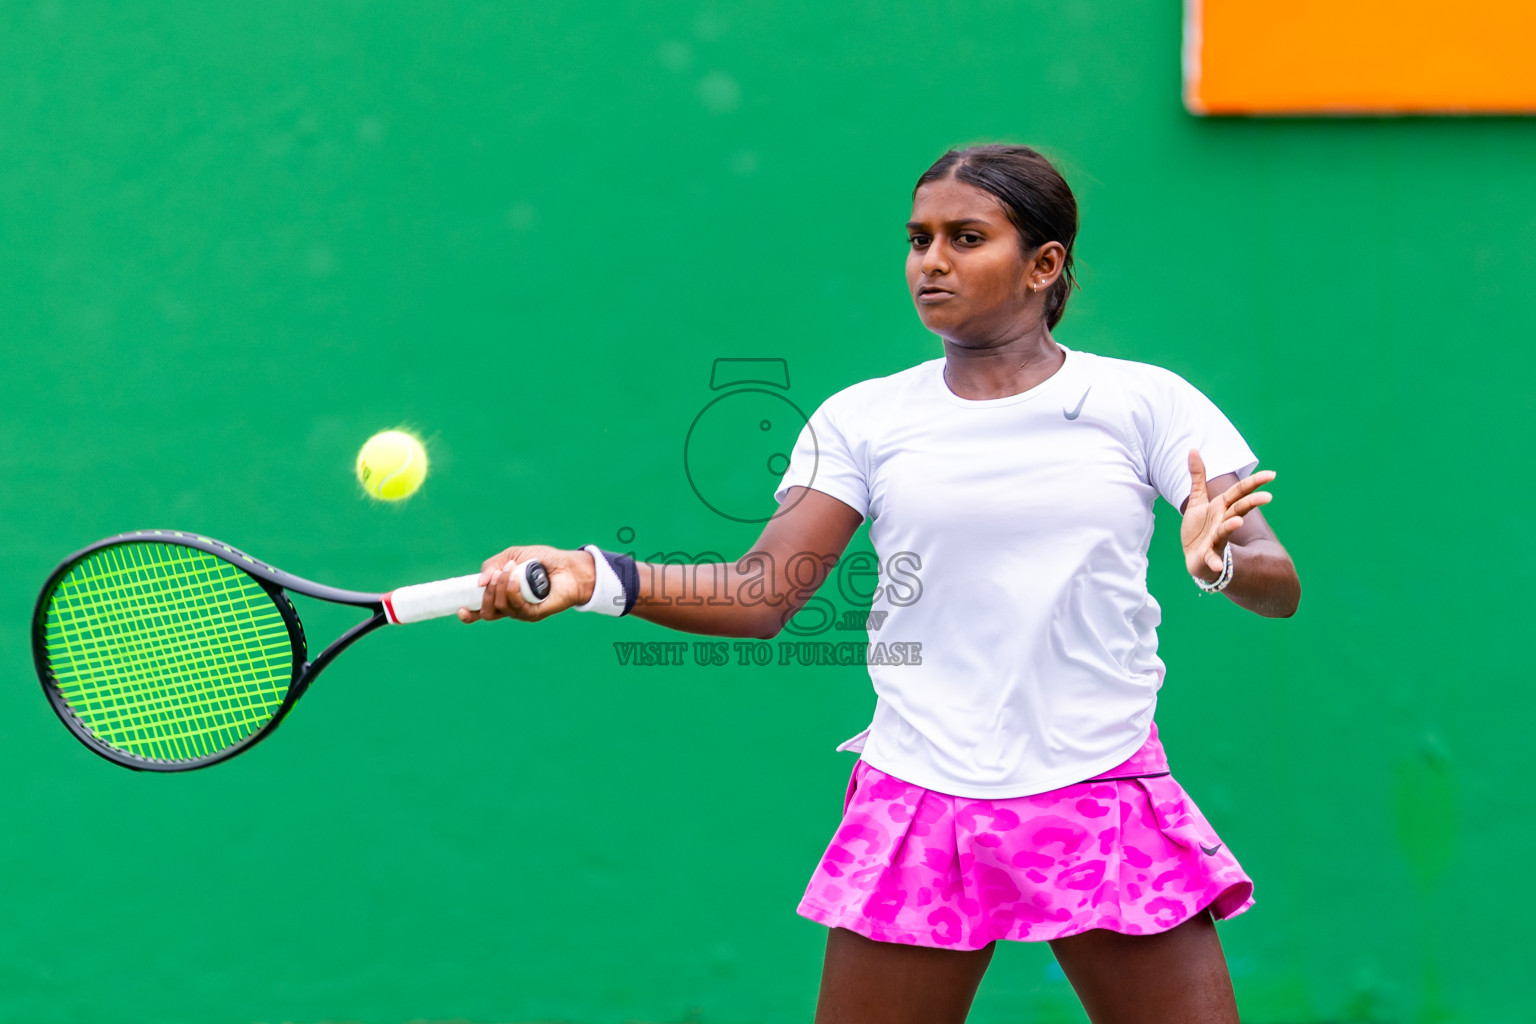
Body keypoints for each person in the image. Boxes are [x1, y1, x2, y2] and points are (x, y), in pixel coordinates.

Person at [462, 144, 1301, 1024]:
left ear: (1043, 265)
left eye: (966, 238)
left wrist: (1220, 560)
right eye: (918, 239)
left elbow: (1276, 581)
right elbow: (761, 595)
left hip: (1100, 791)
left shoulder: (1147, 404)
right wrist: (594, 577)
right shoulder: (865, 418)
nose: (931, 261)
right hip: (921, 795)